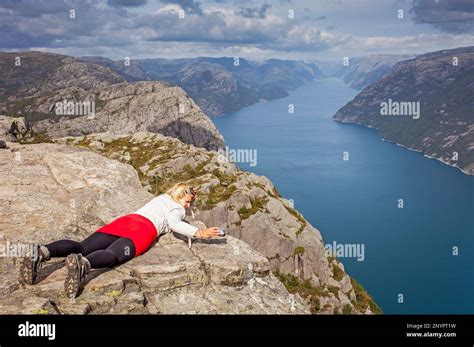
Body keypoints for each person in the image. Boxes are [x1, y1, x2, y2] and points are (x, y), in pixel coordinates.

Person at [19, 182, 221, 298]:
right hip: (143, 230)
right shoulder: (176, 208)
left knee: (82, 246)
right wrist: (198, 233)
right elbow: (175, 223)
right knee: (114, 255)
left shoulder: (161, 198)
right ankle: (84, 265)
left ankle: (42, 252)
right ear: (179, 197)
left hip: (127, 220)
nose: (187, 206)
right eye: (188, 202)